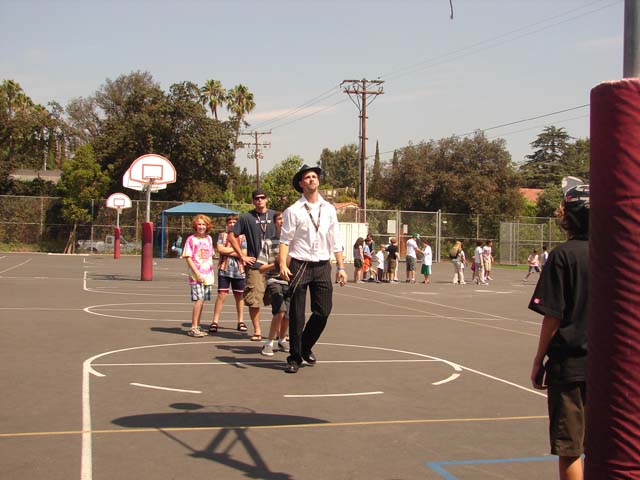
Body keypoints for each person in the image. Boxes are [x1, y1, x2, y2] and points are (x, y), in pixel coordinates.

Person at [529, 177, 589, 480]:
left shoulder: (563, 255)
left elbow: (552, 316)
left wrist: (539, 359)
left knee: (570, 448)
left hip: (571, 365)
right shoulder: (619, 252)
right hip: (616, 365)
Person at [278, 164, 347, 374]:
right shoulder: (293, 210)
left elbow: (335, 239)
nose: (311, 179)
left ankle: (305, 346)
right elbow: (285, 240)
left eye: (314, 176)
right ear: (301, 184)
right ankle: (294, 357)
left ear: (318, 181)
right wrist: (283, 264)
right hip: (300, 265)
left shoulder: (329, 209)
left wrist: (341, 267)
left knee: (323, 311)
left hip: (323, 265)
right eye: (307, 177)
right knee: (297, 315)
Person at [227, 188, 278, 341]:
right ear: (253, 201)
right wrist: (242, 255)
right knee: (254, 300)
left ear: (267, 199)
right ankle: (257, 331)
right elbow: (231, 236)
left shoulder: (275, 215)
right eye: (256, 198)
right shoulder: (246, 217)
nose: (259, 200)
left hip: (274, 264)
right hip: (256, 265)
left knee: (279, 299)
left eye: (262, 197)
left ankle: (280, 332)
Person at [258, 212, 290, 356]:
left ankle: (282, 339)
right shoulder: (269, 243)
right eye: (279, 219)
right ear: (275, 222)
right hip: (274, 280)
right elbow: (261, 268)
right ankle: (268, 343)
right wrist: (276, 264)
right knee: (280, 311)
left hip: (290, 281)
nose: (282, 221)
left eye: (285, 219)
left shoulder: (294, 243)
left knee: (288, 315)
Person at [210, 214, 247, 334]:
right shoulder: (222, 235)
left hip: (239, 270)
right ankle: (215, 321)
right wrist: (237, 250)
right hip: (224, 269)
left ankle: (240, 321)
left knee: (239, 296)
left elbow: (245, 253)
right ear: (227, 224)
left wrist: (233, 251)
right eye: (230, 222)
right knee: (222, 295)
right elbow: (221, 249)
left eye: (234, 222)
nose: (232, 224)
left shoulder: (243, 237)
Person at [182, 215, 215, 337]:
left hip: (207, 275)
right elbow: (188, 257)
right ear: (195, 226)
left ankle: (197, 325)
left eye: (204, 224)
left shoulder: (209, 239)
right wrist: (197, 273)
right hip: (197, 276)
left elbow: (210, 256)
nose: (201, 227)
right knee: (199, 300)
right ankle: (193, 327)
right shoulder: (191, 239)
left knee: (202, 301)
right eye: (199, 224)